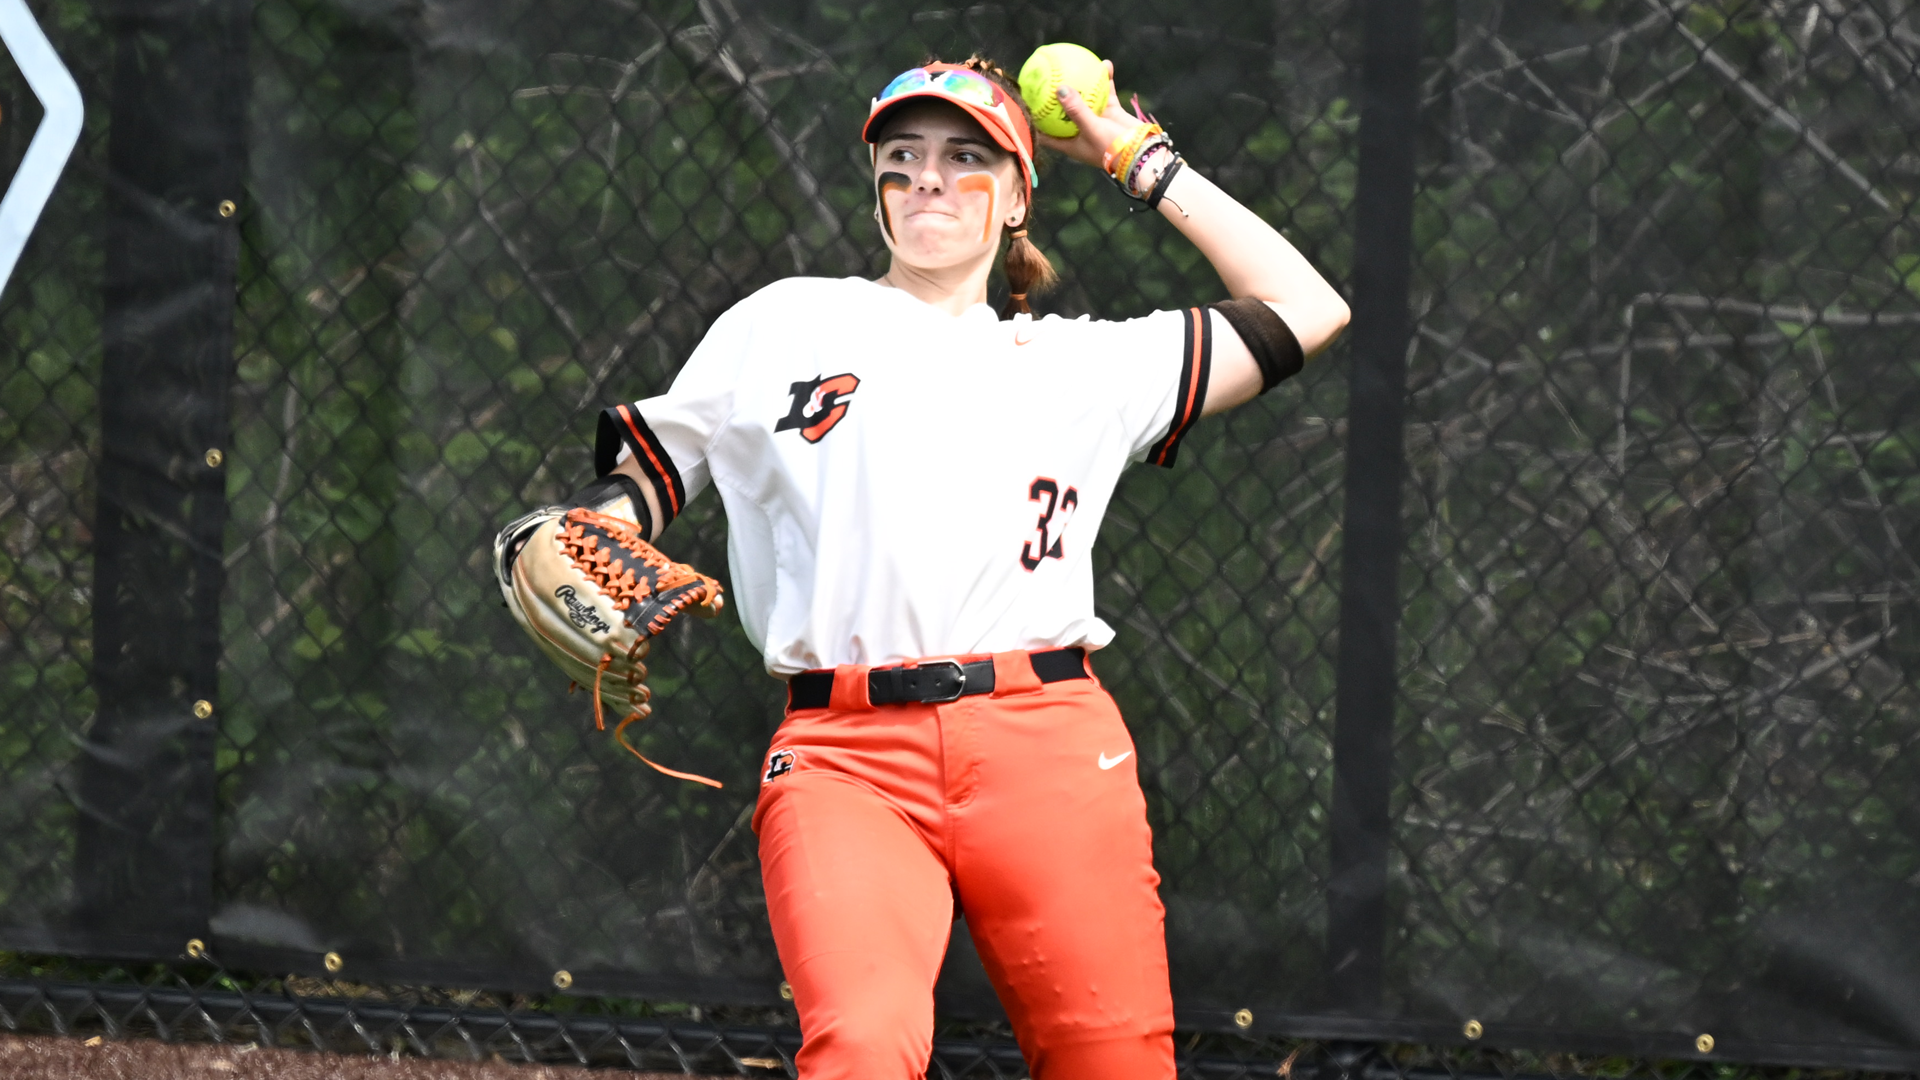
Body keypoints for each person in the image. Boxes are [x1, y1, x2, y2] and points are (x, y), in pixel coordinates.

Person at [594, 55, 1347, 1080]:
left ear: (1019, 194)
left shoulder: (1083, 365)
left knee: (1113, 1063)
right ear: (876, 189)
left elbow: (1308, 307)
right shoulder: (784, 323)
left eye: (966, 157)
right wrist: (589, 528)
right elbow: (649, 478)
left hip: (1047, 744)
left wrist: (1136, 157)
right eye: (902, 158)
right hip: (846, 755)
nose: (928, 179)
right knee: (861, 1048)